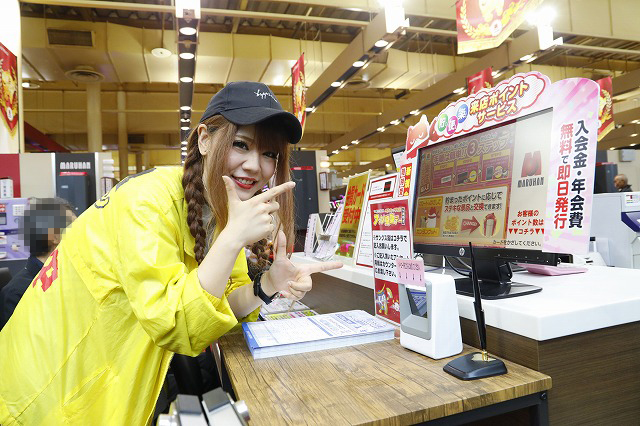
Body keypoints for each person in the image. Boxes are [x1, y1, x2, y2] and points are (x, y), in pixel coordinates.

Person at [0, 81, 342, 425]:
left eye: (269, 154)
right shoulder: (146, 201)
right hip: (46, 394)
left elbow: (222, 302)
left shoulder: (221, 213)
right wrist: (232, 239)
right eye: (241, 144)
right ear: (204, 139)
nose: (256, 165)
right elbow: (178, 325)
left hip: (109, 388)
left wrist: (267, 283)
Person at [0, 198, 75, 331]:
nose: (81, 233)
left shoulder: (69, 278)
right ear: (54, 236)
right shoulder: (18, 294)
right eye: (74, 227)